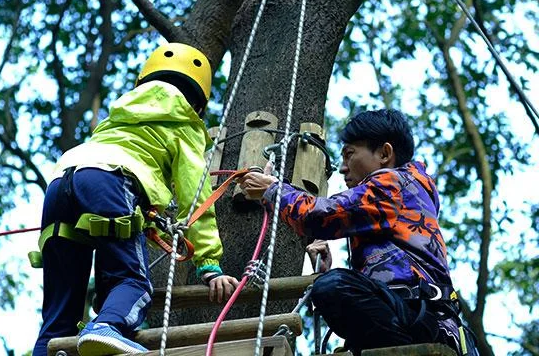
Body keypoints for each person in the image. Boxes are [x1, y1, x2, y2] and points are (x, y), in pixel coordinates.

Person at [32, 43, 240, 356]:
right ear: (198, 105)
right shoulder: (186, 123)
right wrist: (208, 262)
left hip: (62, 182)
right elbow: (195, 193)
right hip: (112, 181)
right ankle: (108, 328)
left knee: (61, 315)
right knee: (132, 283)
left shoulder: (119, 114)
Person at [237, 109, 477, 355]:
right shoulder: (399, 196)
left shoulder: (393, 185)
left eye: (349, 154)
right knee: (331, 285)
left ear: (384, 153)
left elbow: (319, 215)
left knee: (334, 287)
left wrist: (274, 190)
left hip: (422, 320)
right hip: (412, 315)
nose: (342, 168)